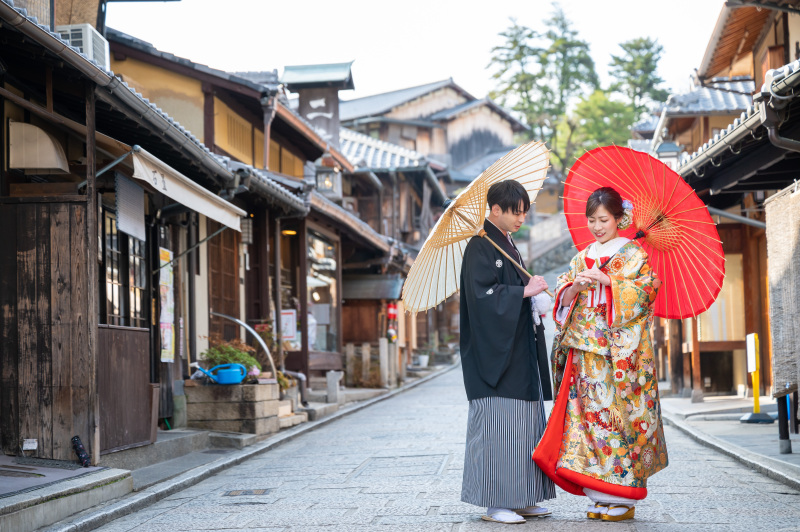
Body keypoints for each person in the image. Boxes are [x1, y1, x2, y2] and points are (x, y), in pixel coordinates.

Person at [533, 187, 668, 522]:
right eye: (591, 220)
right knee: (585, 422)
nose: (597, 226)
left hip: (616, 355)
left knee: (616, 420)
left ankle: (622, 493)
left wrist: (609, 281)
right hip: (583, 352)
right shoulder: (581, 256)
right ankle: (598, 491)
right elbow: (563, 301)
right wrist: (576, 287)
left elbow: (646, 292)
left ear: (620, 219)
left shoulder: (634, 254)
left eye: (604, 219)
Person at [460, 180, 556, 524]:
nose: (521, 217)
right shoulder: (479, 247)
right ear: (495, 210)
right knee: (499, 428)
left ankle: (524, 496)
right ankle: (495, 502)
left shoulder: (505, 244)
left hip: (517, 350)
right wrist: (524, 292)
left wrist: (531, 293)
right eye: (515, 211)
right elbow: (482, 299)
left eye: (524, 211)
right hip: (494, 358)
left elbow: (511, 289)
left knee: (525, 425)